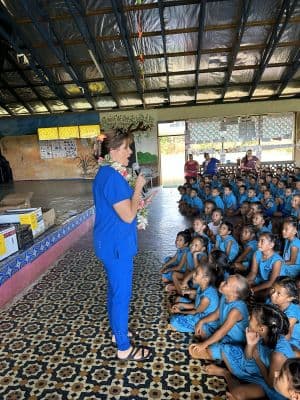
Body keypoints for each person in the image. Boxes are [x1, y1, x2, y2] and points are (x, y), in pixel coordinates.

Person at [93, 128, 152, 361]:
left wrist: (139, 201)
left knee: (115, 291)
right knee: (121, 295)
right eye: (126, 147)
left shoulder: (108, 174)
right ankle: (124, 348)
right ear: (113, 150)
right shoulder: (112, 177)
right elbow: (127, 216)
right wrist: (138, 188)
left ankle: (118, 334)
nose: (130, 152)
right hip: (116, 246)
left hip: (111, 243)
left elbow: (124, 208)